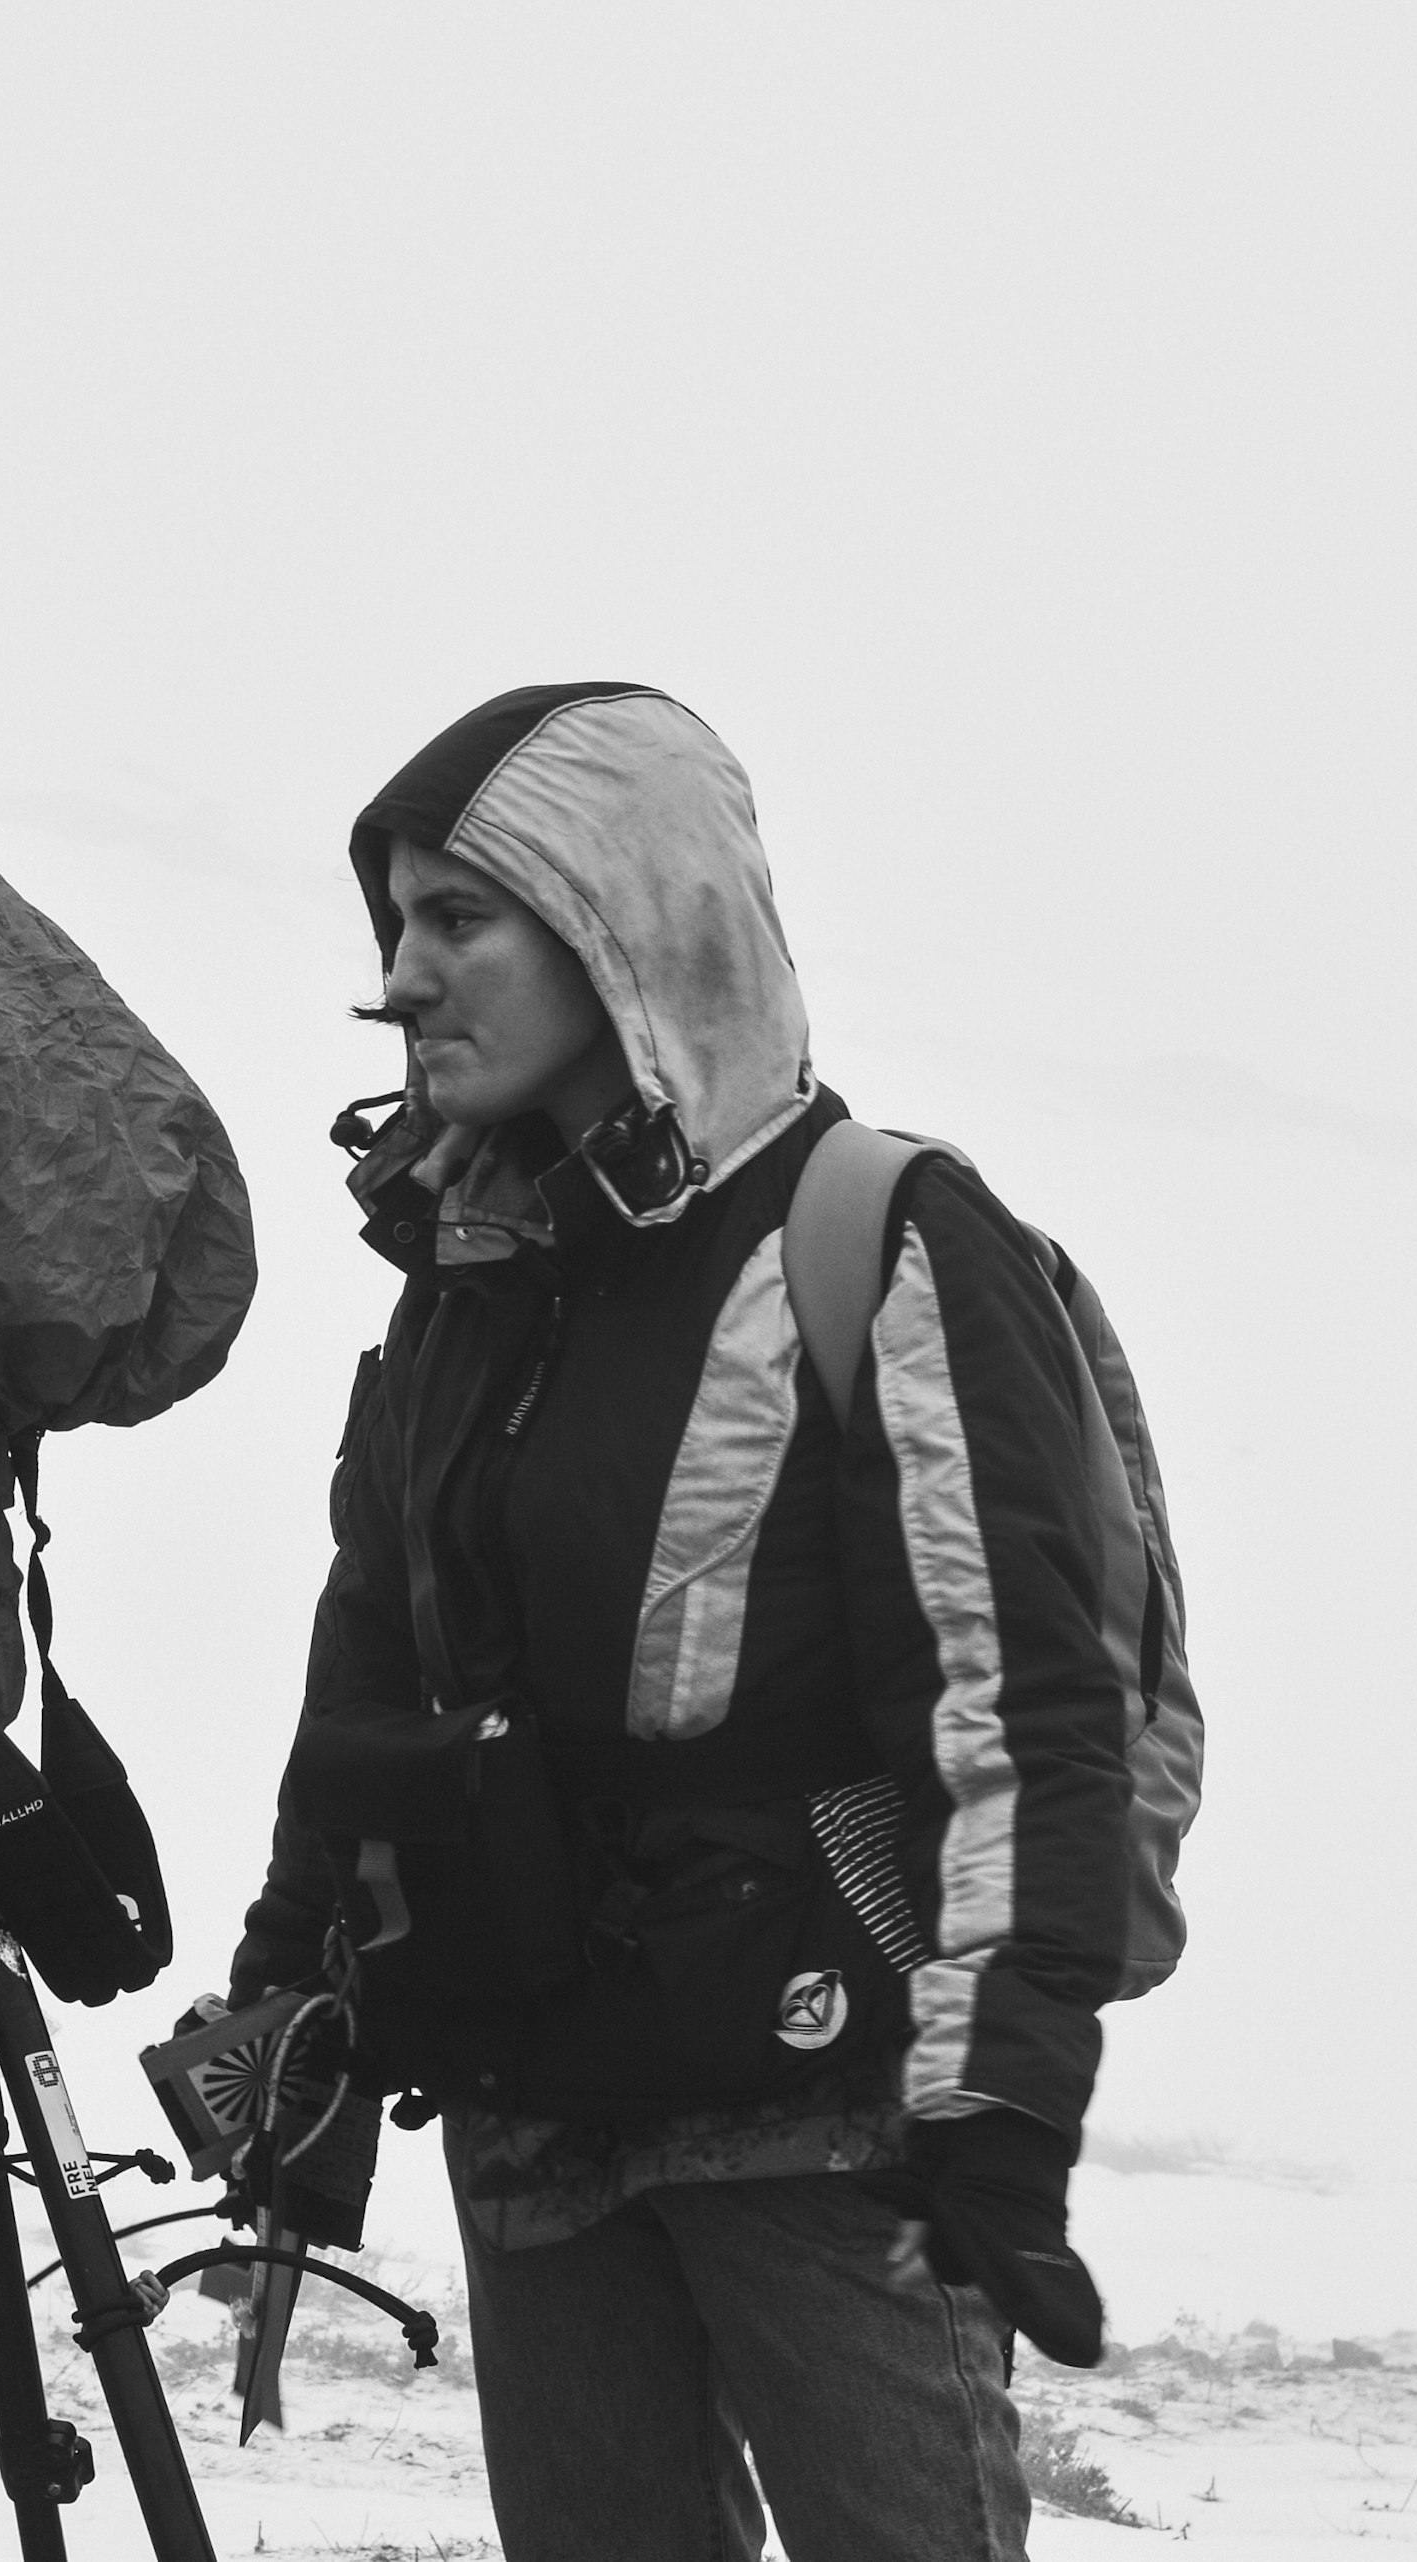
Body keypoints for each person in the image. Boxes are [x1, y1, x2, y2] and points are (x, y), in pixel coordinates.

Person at [228, 682, 1147, 2561]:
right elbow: (370, 1673)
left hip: (816, 2123)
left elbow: (1021, 1709)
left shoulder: (879, 1238)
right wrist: (290, 2002)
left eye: (460, 920)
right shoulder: (461, 1288)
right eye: (395, 924)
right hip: (531, 2100)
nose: (402, 978)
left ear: (622, 927)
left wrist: (1008, 2099)